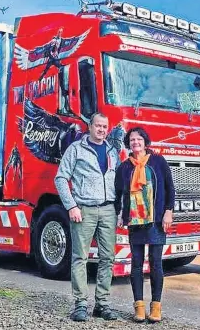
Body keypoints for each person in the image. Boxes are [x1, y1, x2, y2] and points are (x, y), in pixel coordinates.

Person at [55, 113, 121, 322]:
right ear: (90, 127)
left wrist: (119, 210)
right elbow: (61, 178)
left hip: (109, 210)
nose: (102, 130)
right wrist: (71, 206)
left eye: (105, 127)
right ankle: (80, 305)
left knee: (107, 258)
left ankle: (102, 304)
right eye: (98, 126)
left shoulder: (113, 151)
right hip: (84, 209)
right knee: (80, 258)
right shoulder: (76, 149)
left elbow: (118, 182)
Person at [115, 127, 175, 323]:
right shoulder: (124, 167)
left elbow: (169, 188)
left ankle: (156, 307)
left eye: (139, 139)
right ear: (128, 144)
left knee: (156, 263)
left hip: (156, 220)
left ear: (145, 141)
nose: (135, 142)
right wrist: (120, 214)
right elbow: (119, 193)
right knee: (137, 264)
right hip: (135, 221)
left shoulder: (158, 161)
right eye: (132, 140)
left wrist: (169, 211)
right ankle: (139, 307)